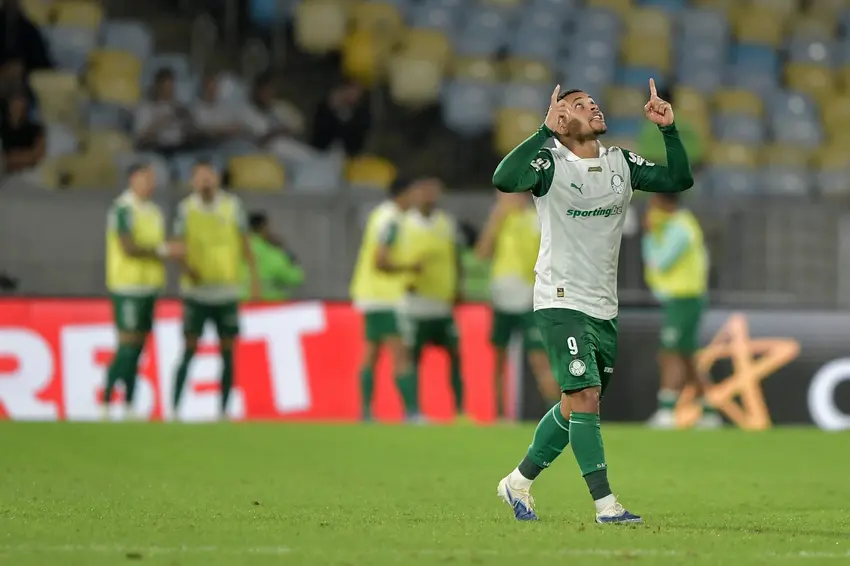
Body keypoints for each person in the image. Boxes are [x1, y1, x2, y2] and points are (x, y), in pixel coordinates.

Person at [491, 79, 694, 524]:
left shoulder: (622, 162)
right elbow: (503, 179)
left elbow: (679, 179)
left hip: (604, 305)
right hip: (560, 298)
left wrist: (669, 130)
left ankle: (518, 482)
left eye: (593, 102)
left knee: (575, 404)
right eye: (579, 105)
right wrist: (542, 131)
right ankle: (606, 505)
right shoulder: (549, 163)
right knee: (583, 396)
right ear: (562, 122)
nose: (593, 107)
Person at [171, 161, 260, 420]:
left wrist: (254, 279)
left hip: (226, 291)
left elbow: (245, 243)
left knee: (228, 351)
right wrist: (187, 269)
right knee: (189, 348)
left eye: (209, 176)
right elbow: (178, 245)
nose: (205, 182)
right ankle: (174, 409)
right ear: (192, 182)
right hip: (196, 293)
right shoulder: (185, 209)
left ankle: (223, 410)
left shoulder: (232, 206)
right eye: (200, 177)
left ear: (218, 179)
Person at [102, 164, 184, 420]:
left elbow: (154, 245)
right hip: (127, 285)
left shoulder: (155, 212)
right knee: (127, 345)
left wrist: (165, 250)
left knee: (138, 349)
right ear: (132, 180)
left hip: (150, 287)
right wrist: (163, 250)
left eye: (152, 179)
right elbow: (128, 247)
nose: (150, 184)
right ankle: (106, 400)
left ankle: (128, 404)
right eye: (145, 179)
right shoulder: (123, 209)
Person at [475, 191, 558, 419]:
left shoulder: (536, 219)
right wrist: (496, 219)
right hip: (502, 298)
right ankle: (500, 415)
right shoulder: (499, 220)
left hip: (529, 298)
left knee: (540, 360)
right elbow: (482, 253)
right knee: (498, 359)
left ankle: (556, 414)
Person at [642, 193, 718, 429]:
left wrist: (649, 235)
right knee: (686, 355)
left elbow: (659, 261)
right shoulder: (677, 224)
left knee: (670, 352)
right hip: (682, 298)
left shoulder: (680, 228)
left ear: (662, 202)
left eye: (653, 201)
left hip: (685, 298)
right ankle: (709, 411)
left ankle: (666, 411)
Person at [349, 179, 422, 421]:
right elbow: (380, 260)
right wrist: (410, 268)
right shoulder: (391, 220)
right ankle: (411, 413)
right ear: (404, 194)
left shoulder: (381, 215)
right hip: (386, 297)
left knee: (371, 352)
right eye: (414, 193)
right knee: (401, 355)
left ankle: (366, 412)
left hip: (370, 294)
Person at [398, 178, 465, 421]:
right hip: (415, 303)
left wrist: (459, 286)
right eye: (423, 191)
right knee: (411, 358)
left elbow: (456, 256)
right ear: (413, 194)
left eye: (432, 192)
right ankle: (413, 411)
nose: (428, 196)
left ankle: (460, 412)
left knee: (455, 355)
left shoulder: (447, 223)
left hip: (441, 303)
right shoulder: (403, 223)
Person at [241, 211, 304, 301]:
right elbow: (296, 278)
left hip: (239, 304)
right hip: (269, 304)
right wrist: (291, 258)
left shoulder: (233, 250)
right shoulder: (272, 253)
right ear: (264, 228)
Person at [134, 67, 196, 155]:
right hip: (155, 149)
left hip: (179, 148)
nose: (169, 90)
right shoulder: (146, 108)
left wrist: (188, 121)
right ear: (159, 86)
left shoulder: (179, 107)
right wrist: (160, 123)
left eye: (171, 86)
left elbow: (190, 131)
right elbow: (141, 137)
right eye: (166, 86)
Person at [310, 80, 371, 156]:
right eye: (348, 89)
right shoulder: (325, 107)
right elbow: (319, 136)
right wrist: (332, 110)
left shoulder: (362, 114)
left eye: (355, 91)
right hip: (320, 152)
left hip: (347, 155)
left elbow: (354, 140)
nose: (351, 94)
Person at [1, 91, 44, 174]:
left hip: (32, 172)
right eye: (15, 108)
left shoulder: (35, 129)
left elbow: (37, 155)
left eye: (20, 108)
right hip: (7, 173)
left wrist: (13, 157)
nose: (17, 111)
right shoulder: (3, 129)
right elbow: (3, 158)